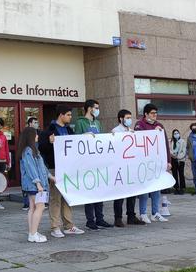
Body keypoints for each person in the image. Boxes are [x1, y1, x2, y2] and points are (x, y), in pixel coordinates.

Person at [38, 105, 84, 238]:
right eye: (68, 114)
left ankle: (69, 225)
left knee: (67, 197)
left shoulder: (69, 130)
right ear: (61, 115)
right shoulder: (48, 131)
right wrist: (49, 143)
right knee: (55, 198)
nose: (70, 117)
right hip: (55, 168)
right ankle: (55, 226)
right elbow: (42, 149)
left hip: (68, 168)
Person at [75, 99, 112, 230]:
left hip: (98, 162)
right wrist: (83, 136)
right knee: (89, 191)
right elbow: (75, 141)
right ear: (89, 108)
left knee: (99, 191)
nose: (97, 110)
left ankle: (100, 218)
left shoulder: (97, 122)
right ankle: (90, 220)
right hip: (86, 162)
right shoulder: (80, 122)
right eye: (96, 107)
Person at [134, 104, 170, 223]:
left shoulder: (159, 125)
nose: (155, 115)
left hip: (156, 163)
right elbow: (139, 139)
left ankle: (155, 213)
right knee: (145, 189)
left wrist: (168, 161)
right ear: (146, 114)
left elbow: (165, 144)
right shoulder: (139, 125)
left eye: (156, 113)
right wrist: (152, 132)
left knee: (156, 188)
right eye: (152, 113)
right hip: (144, 163)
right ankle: (143, 213)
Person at [18, 127, 49, 243]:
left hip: (32, 185)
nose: (37, 136)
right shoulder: (29, 151)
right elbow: (31, 168)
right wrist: (38, 184)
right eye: (36, 134)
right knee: (40, 207)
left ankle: (32, 232)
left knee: (33, 207)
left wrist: (50, 176)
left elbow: (41, 167)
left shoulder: (31, 150)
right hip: (34, 185)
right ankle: (33, 233)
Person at [111, 109, 134, 227]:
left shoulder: (131, 131)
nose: (129, 120)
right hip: (120, 166)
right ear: (121, 118)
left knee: (132, 192)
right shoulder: (115, 131)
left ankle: (131, 216)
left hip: (130, 166)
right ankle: (118, 218)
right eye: (127, 117)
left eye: (130, 118)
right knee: (119, 194)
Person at [170, 129, 187, 195]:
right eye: (174, 133)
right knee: (174, 174)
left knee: (181, 174)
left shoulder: (183, 141)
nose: (176, 134)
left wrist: (178, 157)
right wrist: (173, 155)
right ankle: (176, 188)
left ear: (179, 134)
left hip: (180, 160)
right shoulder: (171, 142)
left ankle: (182, 188)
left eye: (177, 133)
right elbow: (169, 149)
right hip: (173, 160)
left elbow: (184, 151)